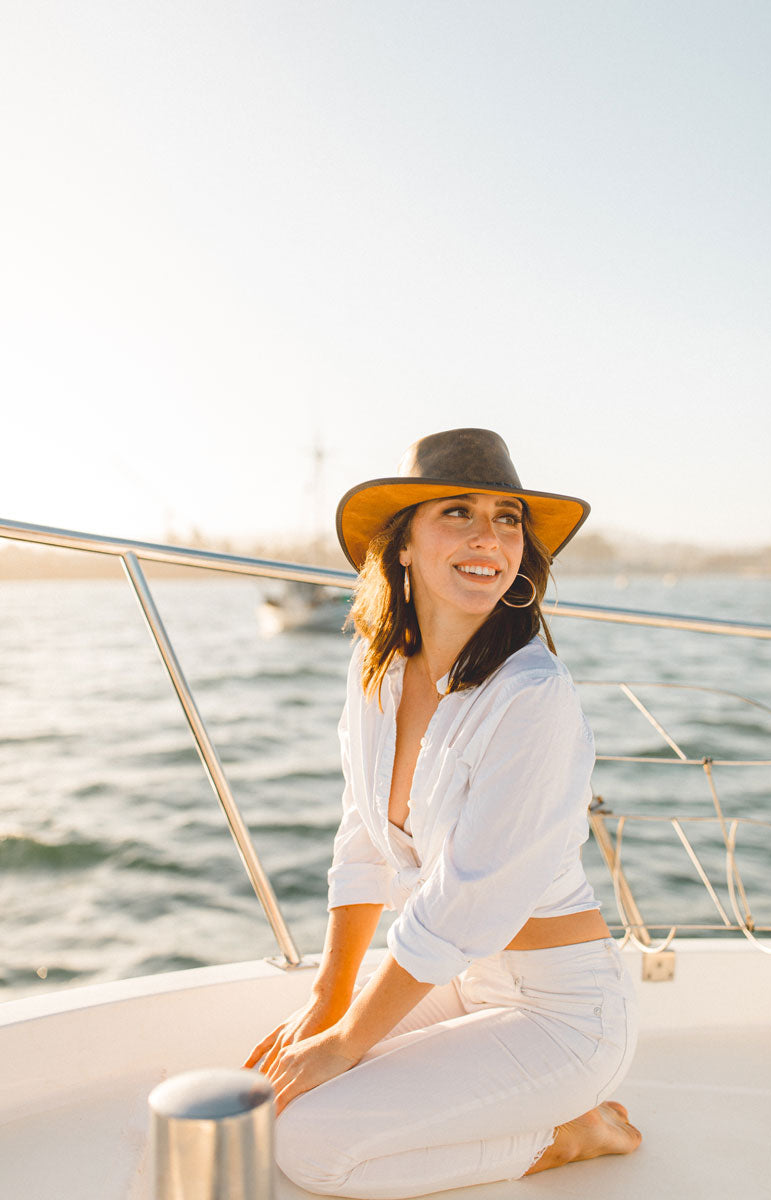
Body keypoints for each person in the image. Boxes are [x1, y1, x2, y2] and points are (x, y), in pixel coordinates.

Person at [244, 428, 641, 1197]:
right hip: (464, 985)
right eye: (457, 512)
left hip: (566, 1013)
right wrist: (331, 1000)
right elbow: (361, 835)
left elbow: (463, 904)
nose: (488, 537)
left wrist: (347, 1042)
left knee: (310, 1148)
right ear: (402, 546)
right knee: (273, 1099)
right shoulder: (378, 674)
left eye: (507, 518)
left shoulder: (533, 697)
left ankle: (568, 1133)